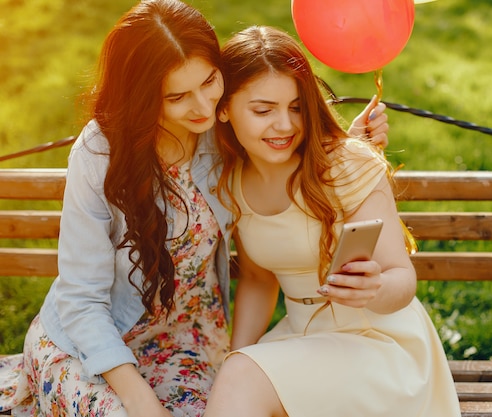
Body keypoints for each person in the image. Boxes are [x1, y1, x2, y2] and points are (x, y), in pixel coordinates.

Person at [0, 1, 389, 416]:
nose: (203, 107)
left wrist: (342, 147)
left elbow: (283, 146)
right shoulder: (99, 153)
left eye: (209, 82)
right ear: (142, 98)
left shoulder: (223, 135)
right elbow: (81, 299)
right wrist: (140, 402)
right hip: (90, 345)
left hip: (188, 339)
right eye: (178, 96)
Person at [204, 25, 461, 417]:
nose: (285, 125)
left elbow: (402, 280)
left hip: (378, 340)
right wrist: (236, 355)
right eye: (263, 110)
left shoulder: (348, 165)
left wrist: (373, 288)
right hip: (304, 337)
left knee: (243, 381)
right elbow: (259, 279)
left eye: (295, 107)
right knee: (238, 377)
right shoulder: (233, 180)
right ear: (224, 109)